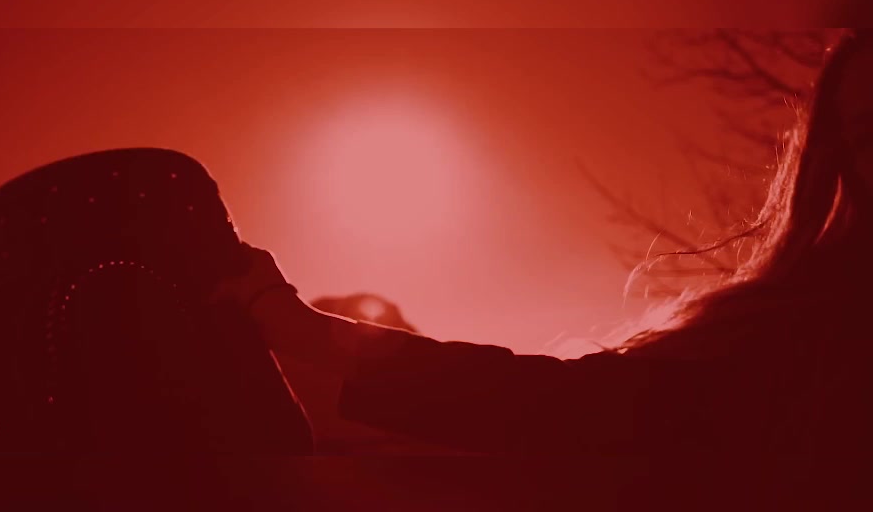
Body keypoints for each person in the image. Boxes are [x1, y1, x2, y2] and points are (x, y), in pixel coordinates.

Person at [213, 28, 873, 478]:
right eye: (866, 134)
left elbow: (582, 410)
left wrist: (311, 335)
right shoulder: (809, 333)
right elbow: (582, 406)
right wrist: (312, 337)